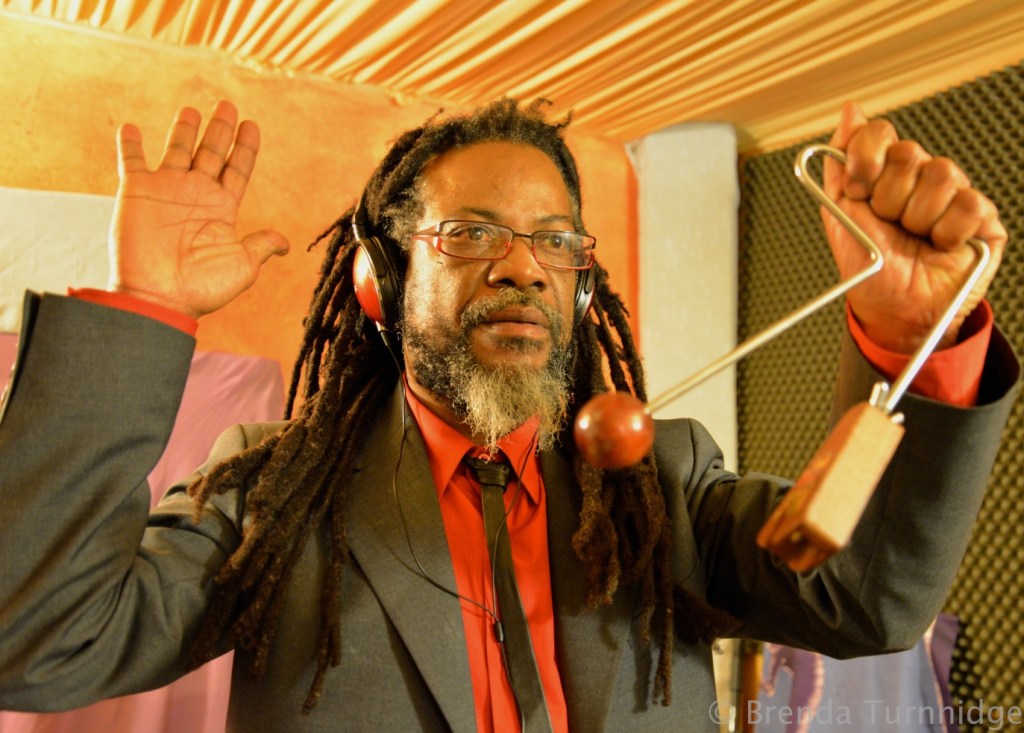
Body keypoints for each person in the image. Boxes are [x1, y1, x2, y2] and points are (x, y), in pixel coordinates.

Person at [0, 97, 1017, 733]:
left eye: (556, 242)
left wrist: (915, 341)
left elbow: (868, 600)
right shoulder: (272, 493)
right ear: (380, 280)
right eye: (470, 233)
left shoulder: (662, 482)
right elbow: (37, 643)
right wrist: (144, 306)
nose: (523, 266)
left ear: (581, 286)